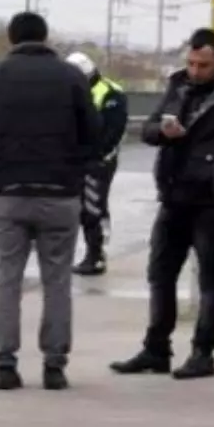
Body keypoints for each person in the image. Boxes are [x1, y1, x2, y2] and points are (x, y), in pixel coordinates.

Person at [0, 12, 100, 391]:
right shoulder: (72, 77)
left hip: (9, 195)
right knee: (57, 282)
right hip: (60, 196)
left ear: (11, 38)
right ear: (45, 38)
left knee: (6, 281)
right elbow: (93, 133)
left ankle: (5, 364)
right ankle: (54, 365)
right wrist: (74, 171)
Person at [111, 28, 214, 380]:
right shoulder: (178, 85)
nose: (196, 71)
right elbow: (149, 129)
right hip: (174, 193)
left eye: (204, 64)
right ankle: (156, 349)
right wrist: (163, 132)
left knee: (211, 277)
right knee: (160, 273)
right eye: (192, 63)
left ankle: (203, 352)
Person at [64, 52, 129, 276]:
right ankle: (91, 254)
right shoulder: (71, 90)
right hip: (76, 160)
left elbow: (114, 130)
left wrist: (99, 157)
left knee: (93, 208)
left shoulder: (109, 93)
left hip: (98, 161)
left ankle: (96, 255)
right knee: (77, 209)